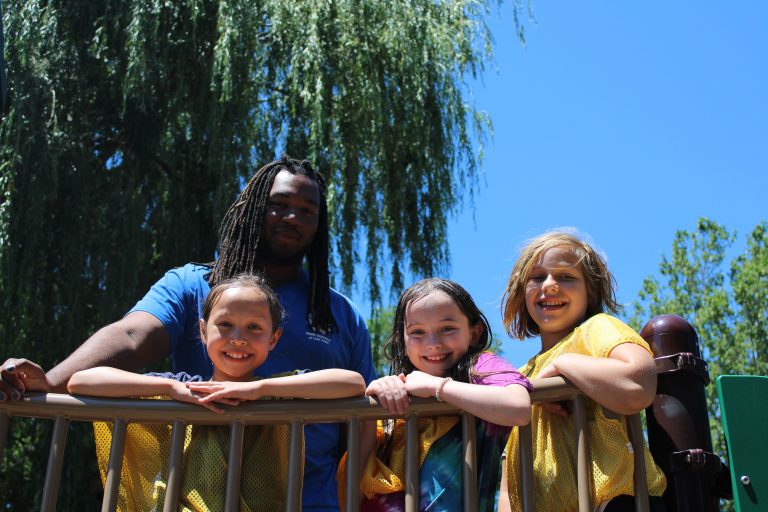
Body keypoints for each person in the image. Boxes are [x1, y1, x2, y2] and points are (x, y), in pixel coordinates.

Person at [1, 155, 376, 511]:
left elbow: (363, 407)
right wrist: (49, 382)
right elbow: (132, 336)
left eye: (307, 211)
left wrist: (348, 501)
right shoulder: (190, 284)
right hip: (197, 498)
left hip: (308, 502)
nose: (293, 216)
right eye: (279, 204)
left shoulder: (340, 313)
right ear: (253, 208)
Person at [68, 274, 365, 510]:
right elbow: (82, 381)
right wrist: (170, 387)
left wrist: (260, 389)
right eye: (225, 325)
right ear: (202, 330)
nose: (238, 339)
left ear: (274, 338)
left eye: (254, 328)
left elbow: (352, 383)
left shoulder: (277, 391)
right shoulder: (182, 385)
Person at [499, 230, 666, 512]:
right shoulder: (519, 376)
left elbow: (639, 384)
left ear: (590, 292)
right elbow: (509, 474)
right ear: (521, 292)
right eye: (537, 277)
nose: (550, 285)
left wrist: (564, 364)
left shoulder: (595, 329)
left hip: (613, 504)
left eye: (566, 277)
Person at [339, 278, 532, 511]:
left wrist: (438, 387)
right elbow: (350, 493)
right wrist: (371, 410)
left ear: (475, 333)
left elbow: (518, 408)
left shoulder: (480, 366)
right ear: (402, 340)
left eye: (447, 328)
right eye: (417, 331)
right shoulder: (399, 389)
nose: (433, 343)